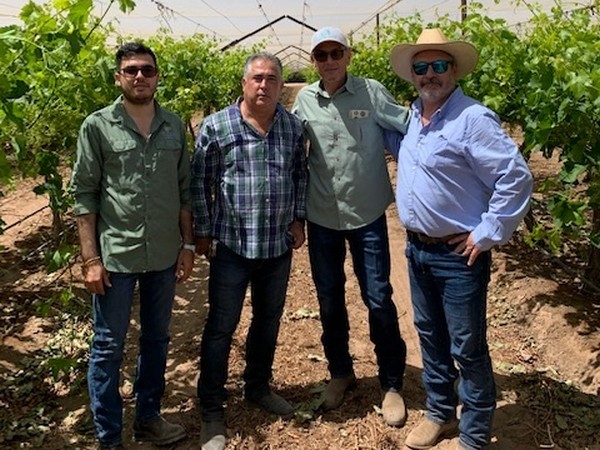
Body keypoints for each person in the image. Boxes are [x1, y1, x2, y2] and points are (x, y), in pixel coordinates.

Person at [386, 29, 533, 450]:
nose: (429, 74)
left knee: (467, 346)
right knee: (430, 335)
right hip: (417, 249)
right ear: (413, 74)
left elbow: (515, 177)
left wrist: (487, 231)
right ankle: (440, 413)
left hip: (457, 254)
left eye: (438, 65)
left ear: (454, 70)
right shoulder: (413, 117)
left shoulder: (472, 118)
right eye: (421, 67)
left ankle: (474, 433)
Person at [70, 42, 193, 450]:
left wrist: (188, 245)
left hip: (163, 254)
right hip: (116, 257)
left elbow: (184, 190)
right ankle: (109, 438)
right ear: (118, 77)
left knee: (157, 340)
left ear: (157, 76)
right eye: (131, 70)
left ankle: (148, 419)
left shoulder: (173, 125)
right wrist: (90, 259)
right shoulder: (97, 126)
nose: (140, 76)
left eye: (147, 69)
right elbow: (84, 195)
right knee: (108, 346)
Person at [291, 26, 410, 427]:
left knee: (377, 297)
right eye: (321, 55)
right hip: (323, 215)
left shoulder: (371, 92)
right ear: (314, 61)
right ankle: (340, 372)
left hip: (367, 214)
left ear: (348, 55)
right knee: (329, 299)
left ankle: (391, 382)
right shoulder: (304, 100)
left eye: (336, 53)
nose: (329, 61)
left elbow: (409, 126)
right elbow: (291, 150)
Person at [191, 52, 308, 450]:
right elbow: (200, 182)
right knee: (221, 327)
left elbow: (300, 175)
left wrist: (298, 219)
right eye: (257, 78)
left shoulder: (293, 127)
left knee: (267, 320)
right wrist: (203, 231)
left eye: (272, 78)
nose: (264, 85)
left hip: (276, 245)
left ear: (281, 86)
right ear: (243, 83)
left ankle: (257, 387)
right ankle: (211, 407)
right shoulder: (217, 125)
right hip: (232, 246)